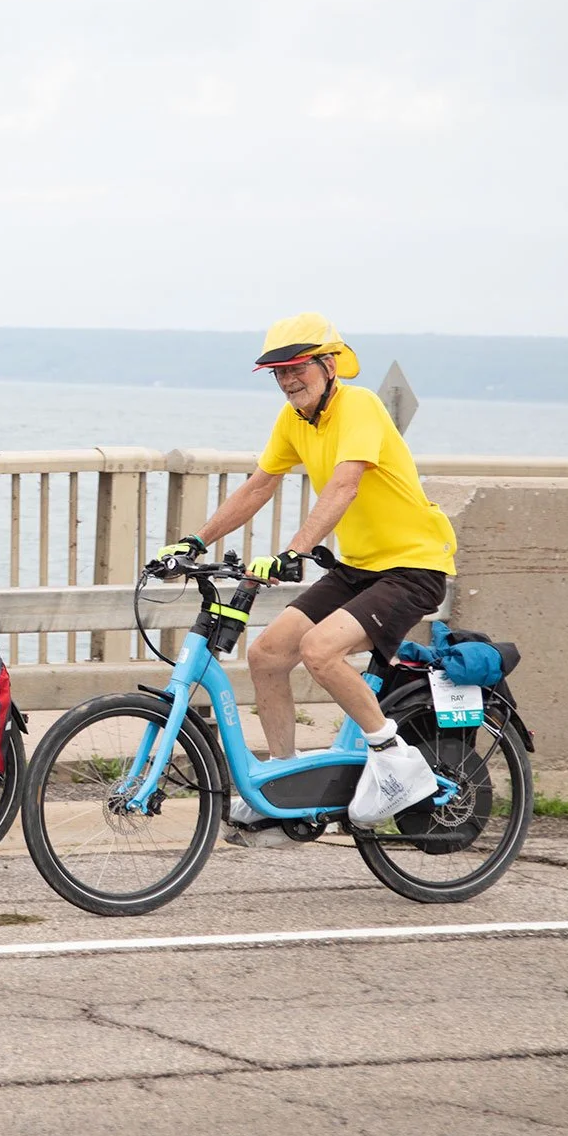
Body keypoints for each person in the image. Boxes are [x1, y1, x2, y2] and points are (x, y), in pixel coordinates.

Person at [155, 313, 456, 847]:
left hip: (414, 564)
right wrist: (194, 541)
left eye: (298, 368)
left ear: (327, 364)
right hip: (360, 567)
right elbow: (257, 487)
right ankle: (285, 792)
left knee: (319, 649)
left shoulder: (359, 406)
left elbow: (344, 485)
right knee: (267, 654)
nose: (289, 380)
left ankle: (395, 763)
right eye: (278, 372)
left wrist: (293, 551)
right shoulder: (294, 420)